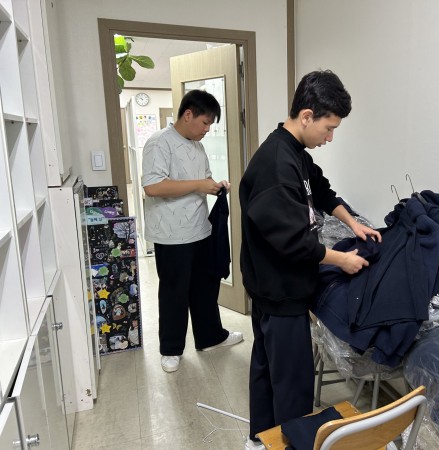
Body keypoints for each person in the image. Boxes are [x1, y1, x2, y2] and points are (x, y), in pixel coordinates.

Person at [239, 70, 382, 449]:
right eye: (328, 128)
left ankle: (260, 439)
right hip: (279, 288)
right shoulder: (276, 165)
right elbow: (294, 243)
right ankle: (288, 442)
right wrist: (341, 260)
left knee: (267, 367)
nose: (330, 138)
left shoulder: (295, 154)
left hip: (272, 285)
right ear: (307, 116)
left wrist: (353, 222)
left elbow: (321, 190)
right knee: (292, 382)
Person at [142, 89, 243, 373]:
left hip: (200, 229)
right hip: (171, 234)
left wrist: (215, 185)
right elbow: (153, 186)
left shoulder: (197, 146)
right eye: (205, 122)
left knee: (205, 286)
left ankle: (211, 337)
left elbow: (202, 179)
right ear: (188, 115)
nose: (207, 129)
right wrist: (199, 185)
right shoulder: (159, 142)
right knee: (174, 291)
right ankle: (171, 349)